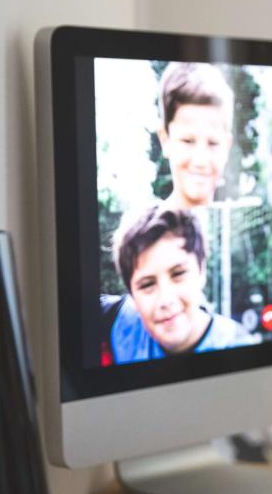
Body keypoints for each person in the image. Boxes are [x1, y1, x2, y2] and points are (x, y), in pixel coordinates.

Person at [100, 204, 253, 364]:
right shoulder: (117, 322)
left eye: (178, 274)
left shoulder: (240, 348)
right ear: (132, 295)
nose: (166, 299)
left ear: (202, 271)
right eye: (147, 285)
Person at [157, 62, 235, 209]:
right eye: (188, 141)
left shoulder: (235, 230)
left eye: (212, 143)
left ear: (227, 147)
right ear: (165, 140)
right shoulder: (143, 231)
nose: (201, 161)